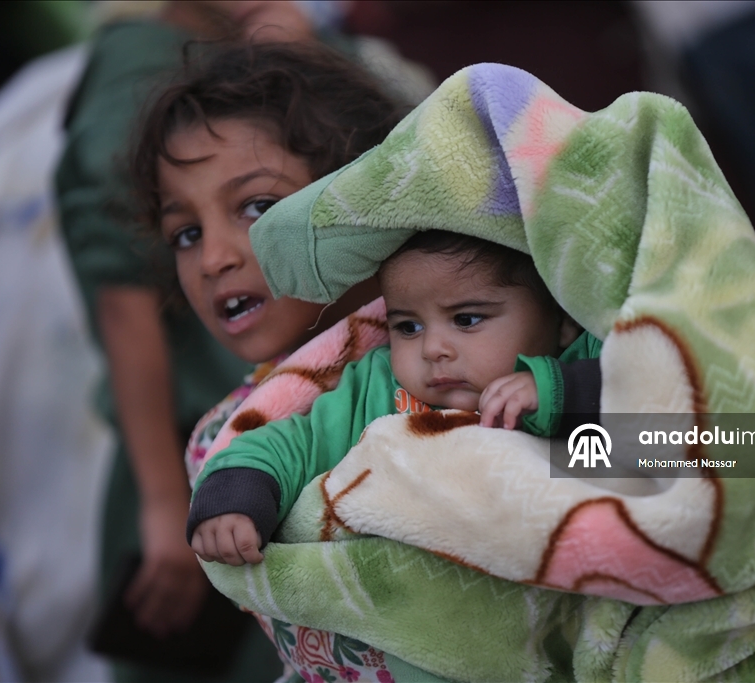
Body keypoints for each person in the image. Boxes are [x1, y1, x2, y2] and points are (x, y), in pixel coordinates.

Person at [57, 13, 399, 678]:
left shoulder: (456, 344)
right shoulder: (258, 425)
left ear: (353, 193)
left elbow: (637, 447)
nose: (213, 258)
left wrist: (642, 442)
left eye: (254, 206)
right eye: (184, 233)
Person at [186, 230, 602, 565]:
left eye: (466, 319)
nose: (432, 348)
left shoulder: (594, 366)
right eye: (408, 327)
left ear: (562, 320)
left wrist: (564, 396)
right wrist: (234, 495)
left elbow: (661, 454)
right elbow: (297, 442)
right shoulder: (382, 391)